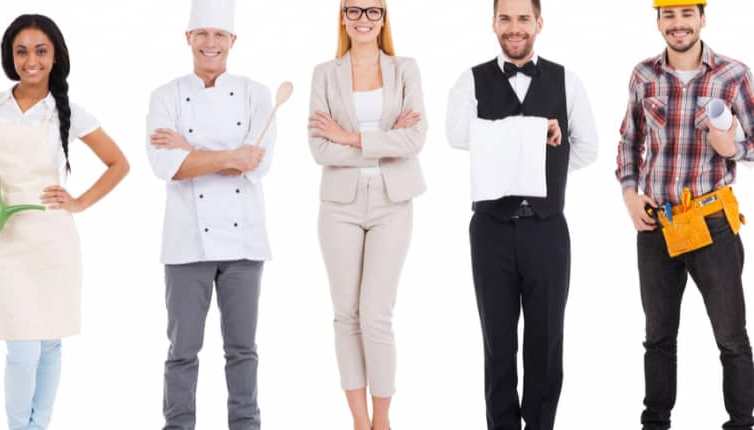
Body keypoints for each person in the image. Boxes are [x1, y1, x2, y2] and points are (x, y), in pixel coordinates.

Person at [0, 13, 128, 430]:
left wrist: (78, 202)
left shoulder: (69, 113)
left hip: (53, 240)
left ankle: (38, 426)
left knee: (49, 345)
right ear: (10, 56)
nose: (31, 60)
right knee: (21, 349)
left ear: (55, 56)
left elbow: (119, 164)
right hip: (4, 240)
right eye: (21, 51)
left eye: (40, 51)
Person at [445, 0, 597, 428]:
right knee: (497, 342)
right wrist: (530, 135)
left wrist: (538, 173)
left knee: (546, 341)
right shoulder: (470, 80)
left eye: (523, 19)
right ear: (493, 23)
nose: (515, 28)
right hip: (490, 230)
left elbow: (587, 147)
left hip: (547, 229)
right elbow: (457, 134)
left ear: (539, 23)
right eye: (506, 19)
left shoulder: (567, 80)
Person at [616, 1, 754, 428]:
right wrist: (629, 194)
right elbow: (629, 139)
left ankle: (742, 422)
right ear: (658, 21)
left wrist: (731, 147)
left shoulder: (733, 75)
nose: (678, 24)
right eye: (668, 15)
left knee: (731, 339)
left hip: (711, 222)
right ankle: (655, 422)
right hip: (657, 224)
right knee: (658, 338)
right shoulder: (644, 75)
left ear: (702, 18)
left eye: (685, 14)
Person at [145, 0, 275, 428]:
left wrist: (192, 151)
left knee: (243, 350)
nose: (210, 43)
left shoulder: (258, 94)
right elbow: (168, 168)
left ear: (232, 41)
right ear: (188, 39)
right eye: (202, 34)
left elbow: (258, 164)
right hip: (186, 242)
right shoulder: (164, 96)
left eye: (220, 35)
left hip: (244, 243)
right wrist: (230, 155)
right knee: (182, 352)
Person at [307, 1, 425, 429]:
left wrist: (349, 136)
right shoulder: (325, 73)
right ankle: (359, 421)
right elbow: (320, 148)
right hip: (340, 204)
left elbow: (415, 139)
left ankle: (383, 419)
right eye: (354, 10)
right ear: (342, 16)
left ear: (383, 18)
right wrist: (381, 139)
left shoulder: (404, 69)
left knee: (376, 312)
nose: (363, 20)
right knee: (346, 313)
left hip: (393, 201)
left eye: (372, 11)